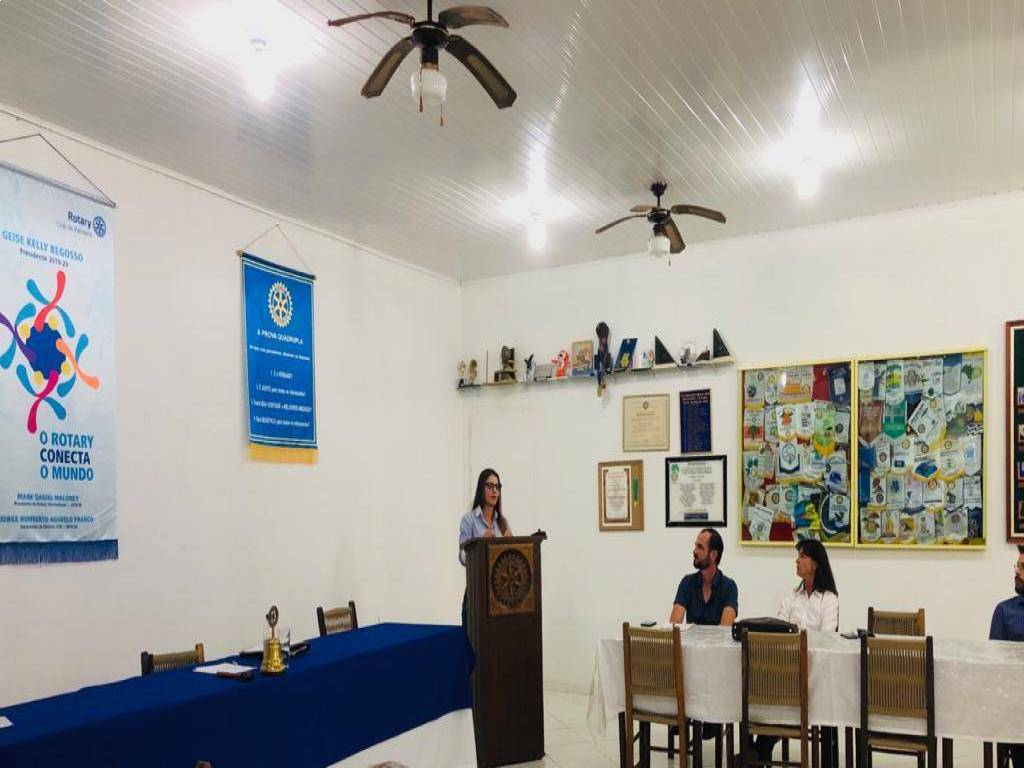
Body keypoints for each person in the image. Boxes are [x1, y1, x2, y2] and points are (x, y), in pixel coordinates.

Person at [751, 539, 840, 767]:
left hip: (815, 674)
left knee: (781, 690)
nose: (797, 561)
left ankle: (759, 751)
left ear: (815, 563)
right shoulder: (791, 596)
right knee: (762, 685)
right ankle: (759, 751)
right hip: (788, 669)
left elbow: (827, 638)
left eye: (802, 556)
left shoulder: (829, 599)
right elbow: (778, 627)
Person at [458, 468, 511, 625]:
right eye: (490, 486)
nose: (494, 491)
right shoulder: (469, 520)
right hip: (476, 593)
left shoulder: (503, 523)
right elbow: (462, 557)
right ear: (481, 489)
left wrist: (510, 543)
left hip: (500, 596)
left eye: (497, 487)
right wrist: (480, 543)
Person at [990, 545, 1024, 767]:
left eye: (1022, 567)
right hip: (1016, 708)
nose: (1017, 571)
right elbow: (993, 666)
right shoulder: (1004, 611)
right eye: (1017, 566)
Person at [669, 528, 737, 626]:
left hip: (718, 637)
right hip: (690, 637)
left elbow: (725, 629)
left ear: (713, 555)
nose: (694, 551)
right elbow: (674, 626)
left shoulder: (729, 587)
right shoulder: (687, 582)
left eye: (700, 547)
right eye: (695, 546)